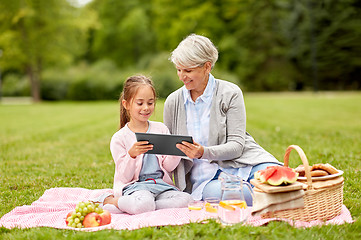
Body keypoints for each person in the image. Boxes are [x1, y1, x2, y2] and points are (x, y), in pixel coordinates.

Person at [163, 34, 281, 205]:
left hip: (245, 163)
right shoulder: (172, 102)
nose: (181, 77)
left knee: (281, 182)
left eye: (188, 71)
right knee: (242, 194)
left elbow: (237, 146)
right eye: (178, 70)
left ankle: (282, 195)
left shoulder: (230, 93)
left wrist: (203, 152)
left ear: (207, 67)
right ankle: (279, 199)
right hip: (206, 179)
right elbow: (170, 150)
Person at [93, 75, 192, 214]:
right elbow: (125, 177)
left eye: (150, 103)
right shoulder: (119, 138)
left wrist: (176, 151)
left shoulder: (161, 129)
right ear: (126, 104)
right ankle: (113, 201)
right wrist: (131, 155)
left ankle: (132, 207)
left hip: (160, 186)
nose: (146, 108)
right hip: (136, 187)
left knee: (186, 199)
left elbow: (168, 167)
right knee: (144, 203)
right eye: (140, 103)